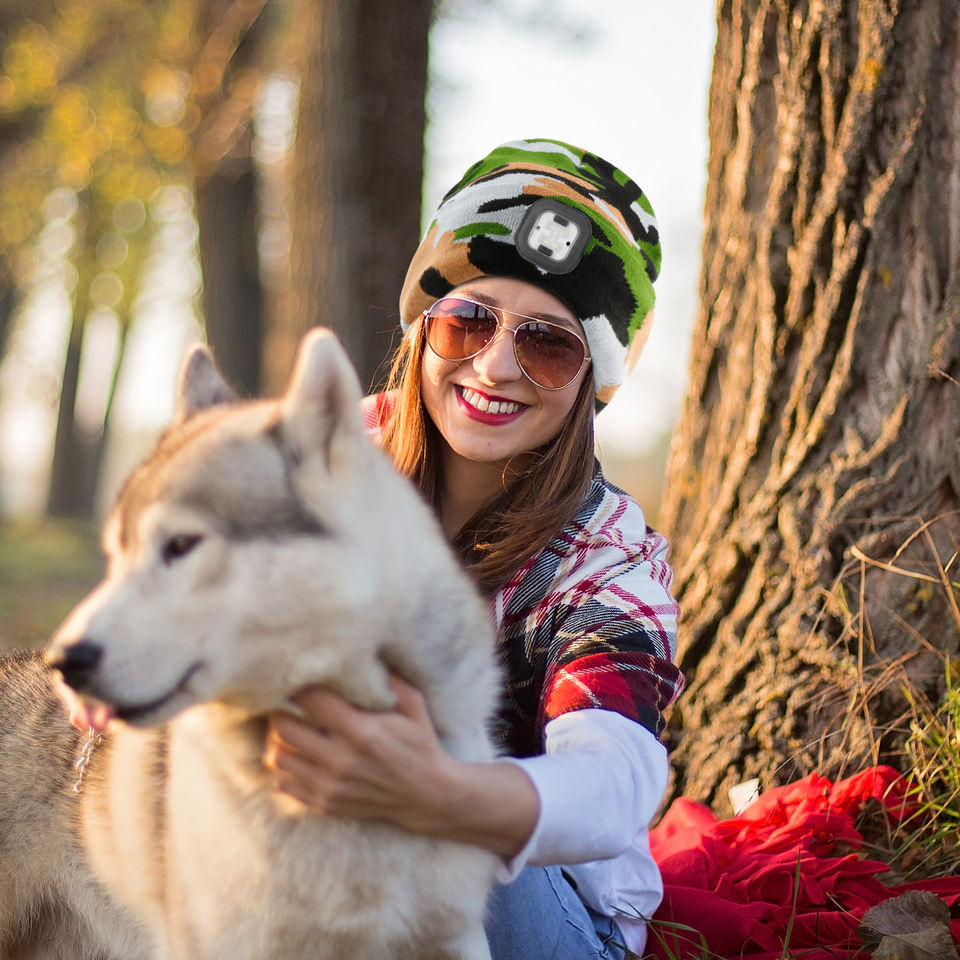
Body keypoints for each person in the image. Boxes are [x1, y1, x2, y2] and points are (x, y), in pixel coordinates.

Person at [264, 138, 686, 959]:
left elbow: (615, 777)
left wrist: (442, 793)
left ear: (590, 380)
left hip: (538, 915)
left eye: (549, 343)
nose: (495, 367)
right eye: (467, 322)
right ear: (424, 327)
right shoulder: (329, 461)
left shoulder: (607, 559)